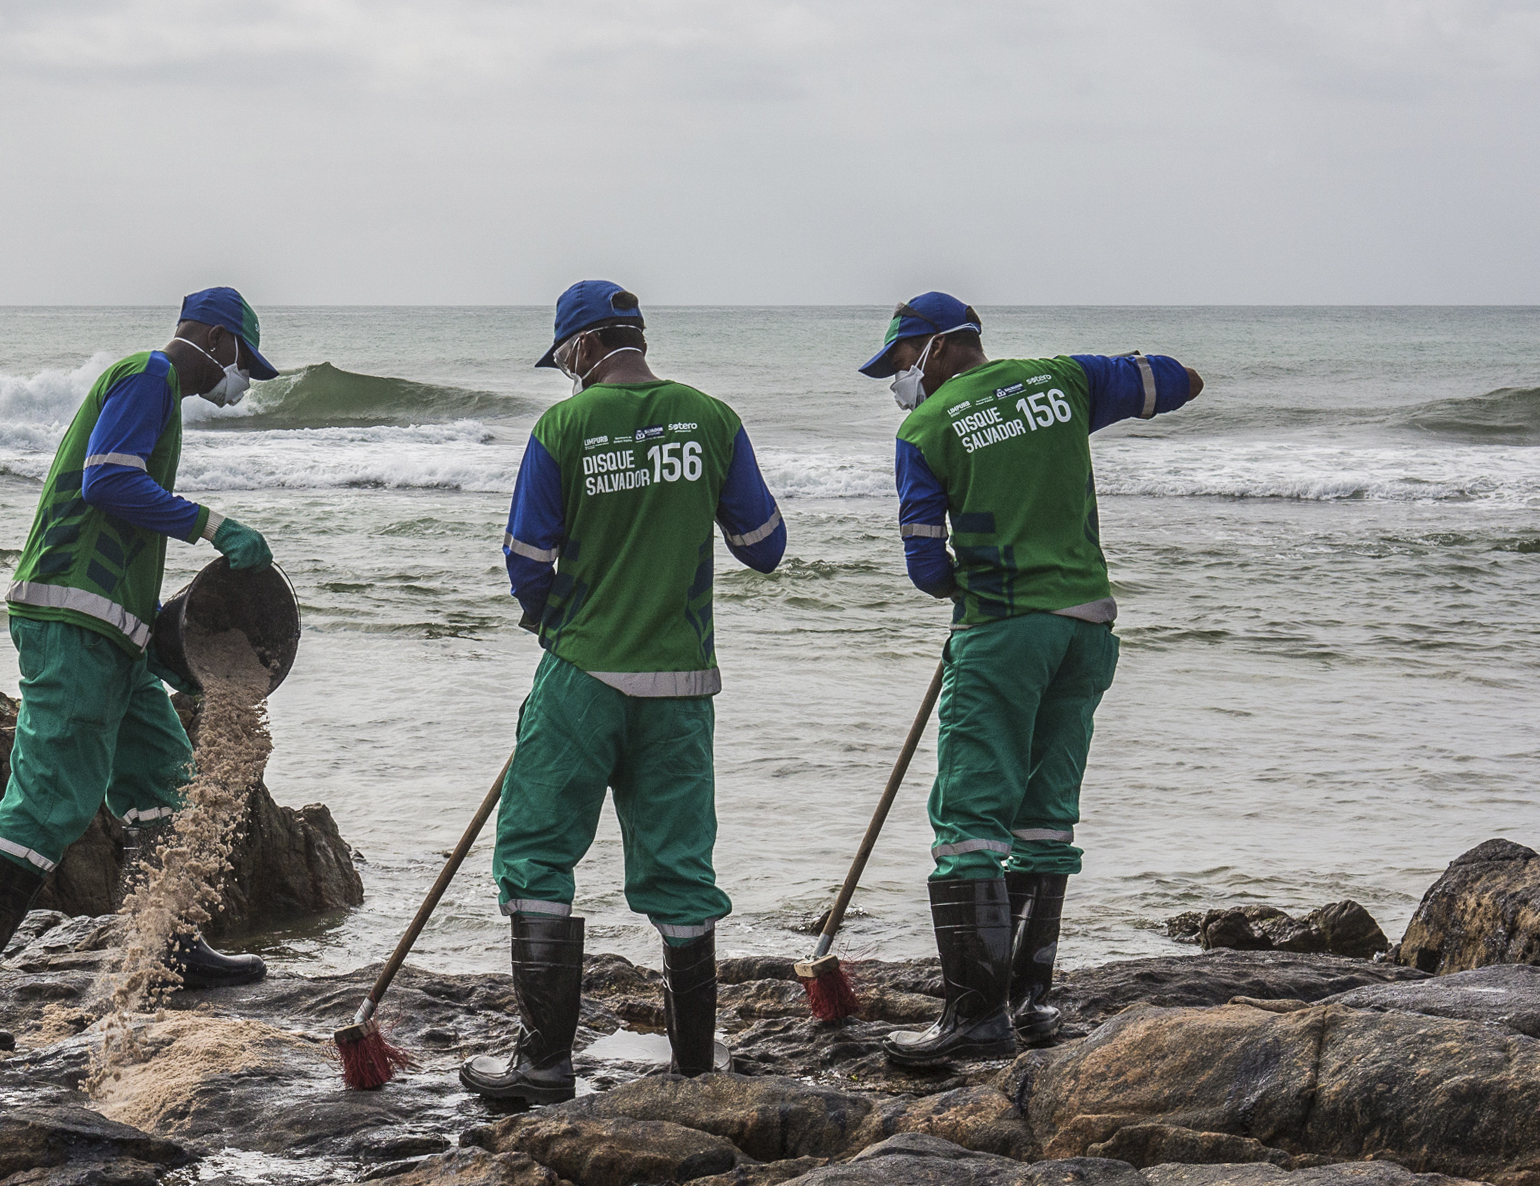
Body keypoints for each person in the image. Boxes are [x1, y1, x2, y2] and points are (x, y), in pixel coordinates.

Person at [0, 288, 279, 1052]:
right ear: (209, 338)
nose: (237, 381)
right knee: (50, 801)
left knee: (164, 777)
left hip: (118, 630)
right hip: (74, 616)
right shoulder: (146, 376)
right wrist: (211, 524)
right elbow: (107, 479)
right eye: (239, 362)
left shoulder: (159, 392)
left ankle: (172, 947)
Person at [856, 292, 1204, 1066]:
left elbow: (923, 566)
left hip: (1003, 628)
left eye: (904, 360)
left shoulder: (923, 429)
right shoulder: (1065, 379)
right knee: (1045, 814)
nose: (900, 379)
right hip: (1086, 625)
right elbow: (1181, 380)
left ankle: (974, 1018)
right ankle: (1030, 1001)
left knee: (969, 817)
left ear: (942, 347)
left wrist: (964, 588)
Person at [463, 282, 788, 1107]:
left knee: (537, 853)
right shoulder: (712, 419)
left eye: (562, 356)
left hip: (582, 672)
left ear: (580, 348)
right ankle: (689, 1071)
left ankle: (543, 1064)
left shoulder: (562, 427)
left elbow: (525, 561)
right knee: (680, 868)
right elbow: (763, 545)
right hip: (681, 683)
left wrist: (559, 621)